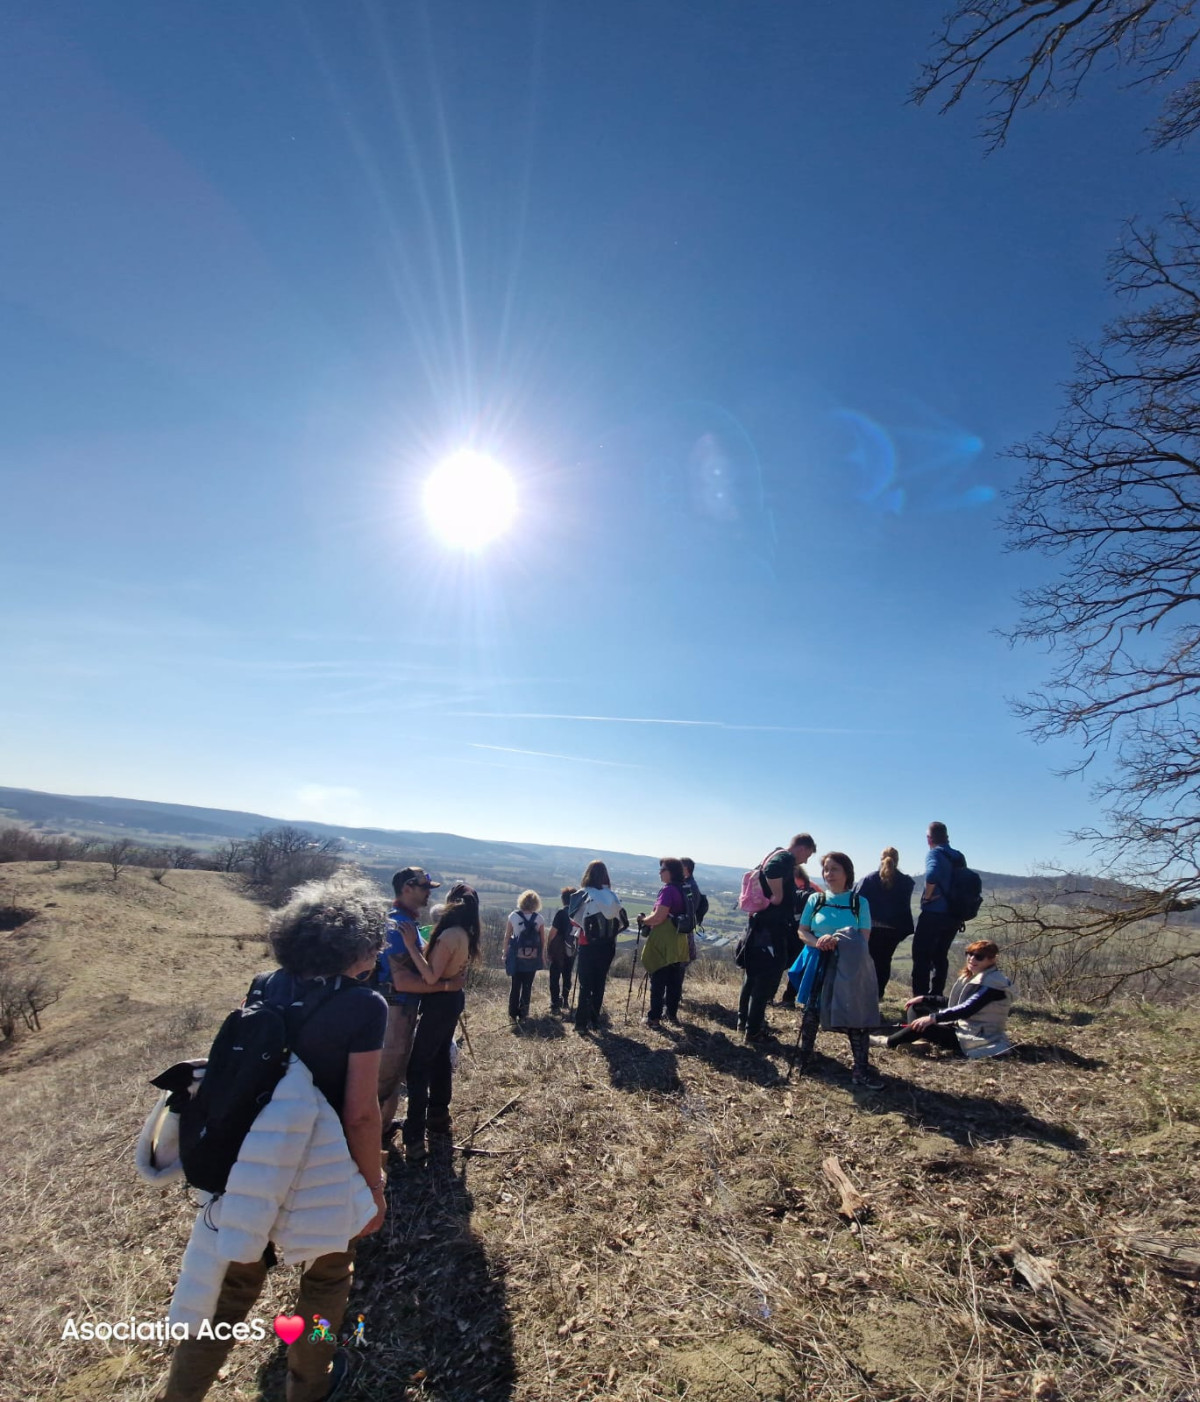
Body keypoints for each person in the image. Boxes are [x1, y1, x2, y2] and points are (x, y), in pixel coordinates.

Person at [157, 874, 390, 1402]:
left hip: (252, 1164)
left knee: (230, 1286)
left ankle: (181, 1393)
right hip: (325, 1167)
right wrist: (374, 1188)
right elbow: (360, 1114)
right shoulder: (364, 1006)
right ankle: (310, 1384)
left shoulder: (265, 985)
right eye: (374, 942)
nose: (378, 952)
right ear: (352, 947)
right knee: (327, 1281)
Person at [392, 882, 480, 1163]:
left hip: (440, 1003)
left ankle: (414, 1137)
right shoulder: (464, 932)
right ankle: (438, 1116)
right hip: (451, 1001)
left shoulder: (450, 935)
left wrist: (410, 945)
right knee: (441, 1057)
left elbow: (431, 977)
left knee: (418, 1067)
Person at [377, 867, 463, 1148]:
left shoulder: (407, 924)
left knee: (393, 1076)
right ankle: (371, 1141)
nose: (429, 893)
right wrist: (447, 986)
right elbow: (402, 981)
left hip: (402, 1009)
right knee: (385, 1078)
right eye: (424, 888)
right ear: (407, 888)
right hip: (395, 1010)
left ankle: (382, 1131)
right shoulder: (397, 927)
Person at [793, 851, 884, 1088]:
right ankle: (805, 1059)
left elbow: (863, 938)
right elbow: (802, 930)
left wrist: (836, 941)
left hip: (848, 965)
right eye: (826, 869)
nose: (829, 874)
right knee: (811, 1011)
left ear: (847, 873)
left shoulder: (859, 903)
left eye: (834, 869)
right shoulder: (816, 900)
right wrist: (818, 943)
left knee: (854, 1014)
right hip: (817, 960)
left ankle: (860, 1070)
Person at [737, 834, 812, 1043]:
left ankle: (744, 1023)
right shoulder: (785, 858)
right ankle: (753, 1030)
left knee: (752, 977)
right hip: (772, 929)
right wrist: (778, 895)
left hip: (759, 926)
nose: (806, 861)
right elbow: (773, 870)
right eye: (807, 856)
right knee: (764, 980)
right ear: (802, 848)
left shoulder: (773, 854)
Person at [887, 939, 1015, 1058]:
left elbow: (967, 1009)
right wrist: (925, 999)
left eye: (979, 957)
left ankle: (888, 1042)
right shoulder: (974, 976)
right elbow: (956, 1002)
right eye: (969, 954)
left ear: (992, 960)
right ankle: (921, 1041)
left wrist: (933, 1018)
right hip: (960, 1027)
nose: (972, 959)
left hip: (973, 1037)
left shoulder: (993, 984)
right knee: (916, 1007)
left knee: (925, 1025)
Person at [569, 860, 629, 1034]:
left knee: (585, 985)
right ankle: (594, 1021)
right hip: (608, 946)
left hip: (587, 945)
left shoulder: (583, 895)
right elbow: (621, 922)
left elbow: (574, 920)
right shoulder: (613, 896)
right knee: (599, 983)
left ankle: (581, 1023)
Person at [911, 822, 966, 1004]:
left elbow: (932, 875)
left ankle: (920, 998)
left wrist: (927, 897)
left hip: (933, 914)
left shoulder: (934, 853)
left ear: (929, 839)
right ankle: (937, 995)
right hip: (954, 915)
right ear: (947, 837)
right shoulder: (958, 856)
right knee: (940, 955)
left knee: (921, 955)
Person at [854, 847, 915, 1000]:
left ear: (881, 859)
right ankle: (878, 993)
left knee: (866, 961)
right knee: (884, 961)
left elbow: (856, 901)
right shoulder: (906, 882)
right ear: (897, 860)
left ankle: (862, 993)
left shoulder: (869, 879)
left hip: (870, 927)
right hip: (893, 930)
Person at [640, 857, 690, 1028]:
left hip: (664, 940)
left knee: (658, 979)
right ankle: (671, 1015)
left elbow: (659, 917)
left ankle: (654, 1018)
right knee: (675, 981)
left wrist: (643, 920)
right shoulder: (685, 888)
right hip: (679, 940)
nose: (660, 873)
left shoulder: (668, 890)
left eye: (662, 869)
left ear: (671, 872)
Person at [777, 836, 820, 1010]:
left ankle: (773, 997)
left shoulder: (787, 881)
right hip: (807, 930)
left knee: (781, 963)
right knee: (798, 964)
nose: (806, 861)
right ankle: (789, 998)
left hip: (791, 929)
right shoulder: (814, 887)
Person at [504, 889, 547, 1021]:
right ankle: (523, 1014)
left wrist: (505, 953)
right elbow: (542, 940)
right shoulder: (539, 919)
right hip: (532, 957)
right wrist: (542, 955)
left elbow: (507, 937)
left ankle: (512, 1013)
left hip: (516, 957)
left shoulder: (513, 916)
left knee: (515, 986)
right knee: (527, 986)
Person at [547, 886, 578, 1014]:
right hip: (572, 949)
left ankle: (555, 1003)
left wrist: (548, 947)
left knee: (554, 976)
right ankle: (565, 999)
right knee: (567, 974)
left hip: (558, 950)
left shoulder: (561, 913)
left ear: (563, 899)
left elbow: (553, 933)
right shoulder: (577, 914)